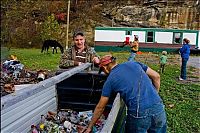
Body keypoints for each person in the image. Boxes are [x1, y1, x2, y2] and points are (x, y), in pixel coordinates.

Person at [82, 55, 167, 133]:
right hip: (159, 107)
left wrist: (90, 127)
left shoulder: (110, 80)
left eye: (103, 70)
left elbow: (100, 107)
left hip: (138, 113)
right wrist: (155, 95)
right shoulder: (133, 63)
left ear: (104, 67)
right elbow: (156, 76)